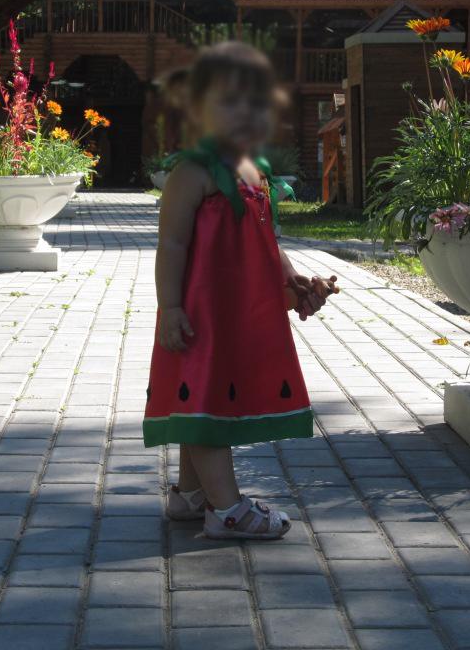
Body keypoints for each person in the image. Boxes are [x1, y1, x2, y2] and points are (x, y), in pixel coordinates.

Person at [144, 41, 336, 540]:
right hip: (201, 314)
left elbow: (266, 242)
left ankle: (191, 495)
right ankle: (226, 509)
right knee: (204, 402)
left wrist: (294, 285)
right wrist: (170, 306)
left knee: (204, 399)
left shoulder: (254, 172)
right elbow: (171, 244)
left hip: (240, 313)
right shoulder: (191, 173)